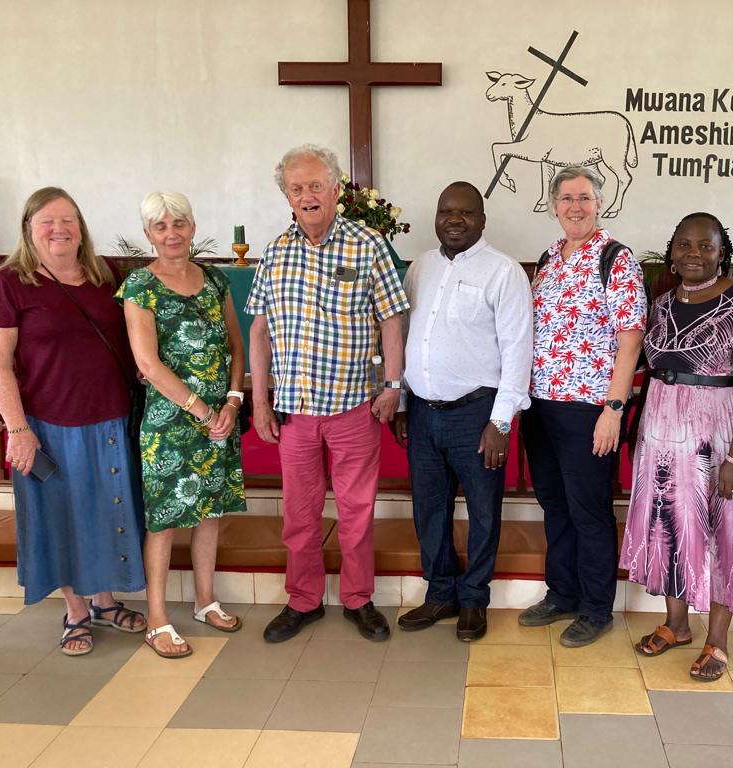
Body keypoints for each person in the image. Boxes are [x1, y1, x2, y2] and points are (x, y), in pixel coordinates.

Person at [247, 144, 409, 644]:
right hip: (294, 411)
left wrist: (393, 386)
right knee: (299, 513)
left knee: (357, 512)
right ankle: (304, 600)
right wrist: (258, 399)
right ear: (287, 198)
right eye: (297, 189)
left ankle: (359, 599)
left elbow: (391, 319)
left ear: (336, 190)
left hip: (353, 407)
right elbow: (259, 331)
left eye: (316, 185)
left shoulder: (368, 244)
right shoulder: (275, 252)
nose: (307, 196)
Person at [0, 187, 146, 656]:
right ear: (29, 229)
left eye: (68, 220)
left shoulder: (103, 274)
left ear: (81, 227)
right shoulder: (9, 282)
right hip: (48, 423)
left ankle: (105, 601)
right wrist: (17, 428)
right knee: (63, 516)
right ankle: (75, 610)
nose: (59, 229)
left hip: (110, 419)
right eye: (47, 221)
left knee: (110, 509)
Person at [620, 213, 733, 681]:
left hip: (721, 439)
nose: (693, 254)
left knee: (726, 531)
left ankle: (718, 640)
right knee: (670, 524)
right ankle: (676, 625)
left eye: (705, 246)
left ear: (722, 251)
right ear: (671, 251)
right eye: (683, 245)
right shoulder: (662, 302)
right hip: (663, 438)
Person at [391, 182, 532, 642]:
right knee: (428, 510)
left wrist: (500, 420)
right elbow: (408, 335)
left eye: (465, 212)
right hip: (424, 413)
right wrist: (404, 399)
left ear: (482, 219)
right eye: (446, 211)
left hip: (477, 415)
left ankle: (474, 599)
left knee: (483, 512)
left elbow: (517, 351)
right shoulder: (420, 267)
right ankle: (441, 593)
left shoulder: (504, 273)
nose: (455, 219)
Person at [517, 165, 646, 647]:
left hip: (589, 409)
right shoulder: (550, 257)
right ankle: (562, 593)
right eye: (567, 198)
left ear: (600, 204)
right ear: (554, 206)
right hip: (541, 405)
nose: (576, 206)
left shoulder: (615, 259)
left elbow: (630, 340)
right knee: (554, 505)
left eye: (585, 198)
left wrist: (614, 409)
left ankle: (596, 608)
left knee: (589, 510)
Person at [118, 191, 246, 659]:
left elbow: (236, 344)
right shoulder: (140, 287)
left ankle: (204, 600)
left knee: (210, 511)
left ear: (193, 226)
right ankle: (156, 618)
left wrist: (232, 402)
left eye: (179, 223)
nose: (172, 233)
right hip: (171, 424)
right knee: (165, 521)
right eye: (160, 226)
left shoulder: (215, 279)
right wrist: (203, 411)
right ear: (149, 234)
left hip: (220, 420)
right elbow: (147, 364)